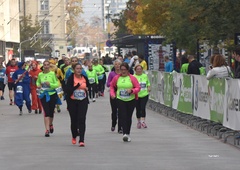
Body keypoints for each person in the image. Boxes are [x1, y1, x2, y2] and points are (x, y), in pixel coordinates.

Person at [110, 62, 140, 142]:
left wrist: (132, 90)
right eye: (121, 69)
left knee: (128, 117)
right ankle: (124, 134)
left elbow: (138, 88)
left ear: (128, 70)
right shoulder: (116, 78)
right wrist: (112, 94)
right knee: (122, 116)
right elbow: (112, 86)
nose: (123, 71)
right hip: (120, 99)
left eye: (125, 70)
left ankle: (128, 133)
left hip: (131, 100)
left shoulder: (132, 78)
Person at [65, 63, 90, 147]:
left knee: (82, 119)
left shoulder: (84, 78)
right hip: (73, 101)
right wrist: (77, 86)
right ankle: (74, 135)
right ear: (74, 70)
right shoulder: (71, 78)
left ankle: (82, 139)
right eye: (77, 69)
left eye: (80, 69)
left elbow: (88, 87)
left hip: (83, 101)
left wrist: (87, 89)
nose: (79, 70)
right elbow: (68, 90)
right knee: (74, 120)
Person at [36, 60, 61, 137]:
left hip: (52, 94)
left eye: (47, 65)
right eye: (45, 65)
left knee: (51, 112)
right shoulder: (40, 74)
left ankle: (50, 124)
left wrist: (50, 84)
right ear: (43, 66)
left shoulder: (52, 74)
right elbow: (37, 82)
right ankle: (46, 130)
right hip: (44, 94)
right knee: (46, 112)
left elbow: (57, 84)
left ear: (49, 66)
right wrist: (39, 85)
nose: (46, 66)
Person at [106, 59, 122, 133]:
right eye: (116, 64)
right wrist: (114, 82)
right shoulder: (112, 74)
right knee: (114, 111)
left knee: (121, 111)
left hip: (122, 94)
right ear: (114, 66)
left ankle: (120, 127)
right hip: (113, 94)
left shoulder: (123, 74)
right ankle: (113, 123)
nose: (117, 66)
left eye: (119, 64)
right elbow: (108, 84)